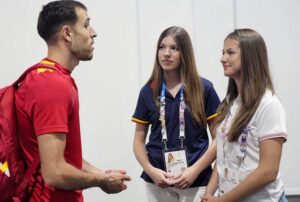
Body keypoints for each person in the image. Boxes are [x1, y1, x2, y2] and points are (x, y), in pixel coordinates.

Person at [15, 1, 131, 201]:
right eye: (86, 25)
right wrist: (100, 181)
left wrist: (103, 175)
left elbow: (63, 157)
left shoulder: (44, 77)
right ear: (67, 34)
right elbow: (55, 172)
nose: (93, 33)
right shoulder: (51, 85)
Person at [132, 26, 220, 202]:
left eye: (174, 48)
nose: (166, 53)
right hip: (158, 181)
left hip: (196, 180)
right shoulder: (148, 91)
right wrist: (151, 170)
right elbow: (138, 140)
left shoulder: (204, 89)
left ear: (185, 53)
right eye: (162, 47)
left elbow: (220, 138)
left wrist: (194, 170)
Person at [202, 29, 288, 202]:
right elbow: (223, 156)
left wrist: (223, 200)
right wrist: (208, 194)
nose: (223, 58)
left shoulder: (268, 105)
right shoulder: (231, 103)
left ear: (250, 57)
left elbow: (268, 171)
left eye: (230, 53)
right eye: (223, 52)